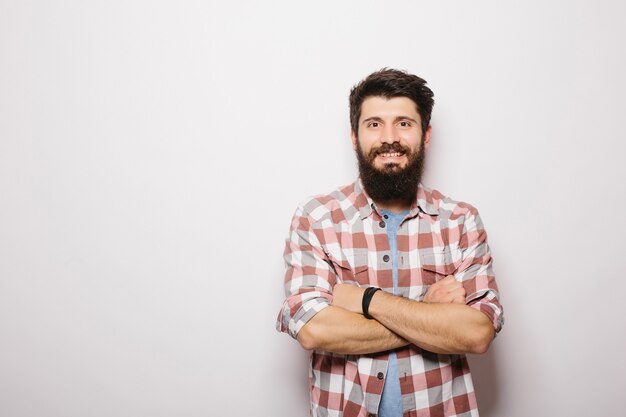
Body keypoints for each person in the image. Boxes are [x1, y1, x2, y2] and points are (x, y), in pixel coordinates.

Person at [276, 68, 504, 417]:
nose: (389, 138)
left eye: (404, 123)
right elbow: (313, 329)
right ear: (354, 136)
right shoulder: (316, 218)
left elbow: (477, 334)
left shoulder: (460, 221)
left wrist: (366, 299)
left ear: (425, 135)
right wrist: (429, 309)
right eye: (374, 124)